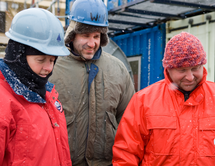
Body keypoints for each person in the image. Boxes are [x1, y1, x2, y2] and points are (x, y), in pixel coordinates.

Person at [112, 32, 215, 166]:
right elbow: (126, 155)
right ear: (168, 69)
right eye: (182, 70)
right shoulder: (143, 102)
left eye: (195, 68)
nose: (190, 77)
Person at [48, 0, 135, 165]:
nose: (91, 43)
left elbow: (129, 120)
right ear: (73, 35)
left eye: (96, 36)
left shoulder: (118, 69)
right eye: (85, 35)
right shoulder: (52, 66)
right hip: (63, 162)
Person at [0, 8, 72, 165]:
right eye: (41, 60)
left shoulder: (47, 95)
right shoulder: (3, 102)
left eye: (52, 60)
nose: (48, 68)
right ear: (18, 54)